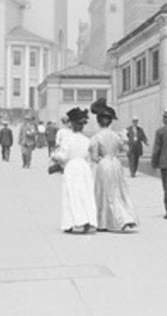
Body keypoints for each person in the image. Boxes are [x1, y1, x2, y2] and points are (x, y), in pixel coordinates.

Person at [89, 99, 137, 232]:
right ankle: (123, 216)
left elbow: (93, 157)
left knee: (105, 193)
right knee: (118, 191)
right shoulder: (117, 136)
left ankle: (110, 220)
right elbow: (126, 149)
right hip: (116, 164)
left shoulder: (96, 137)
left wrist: (100, 158)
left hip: (103, 164)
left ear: (98, 121)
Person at [51, 107, 97, 233]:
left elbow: (63, 156)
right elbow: (90, 157)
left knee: (72, 194)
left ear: (71, 124)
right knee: (85, 194)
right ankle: (88, 220)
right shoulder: (87, 140)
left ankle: (73, 222)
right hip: (84, 167)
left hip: (72, 167)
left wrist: (54, 155)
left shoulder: (67, 139)